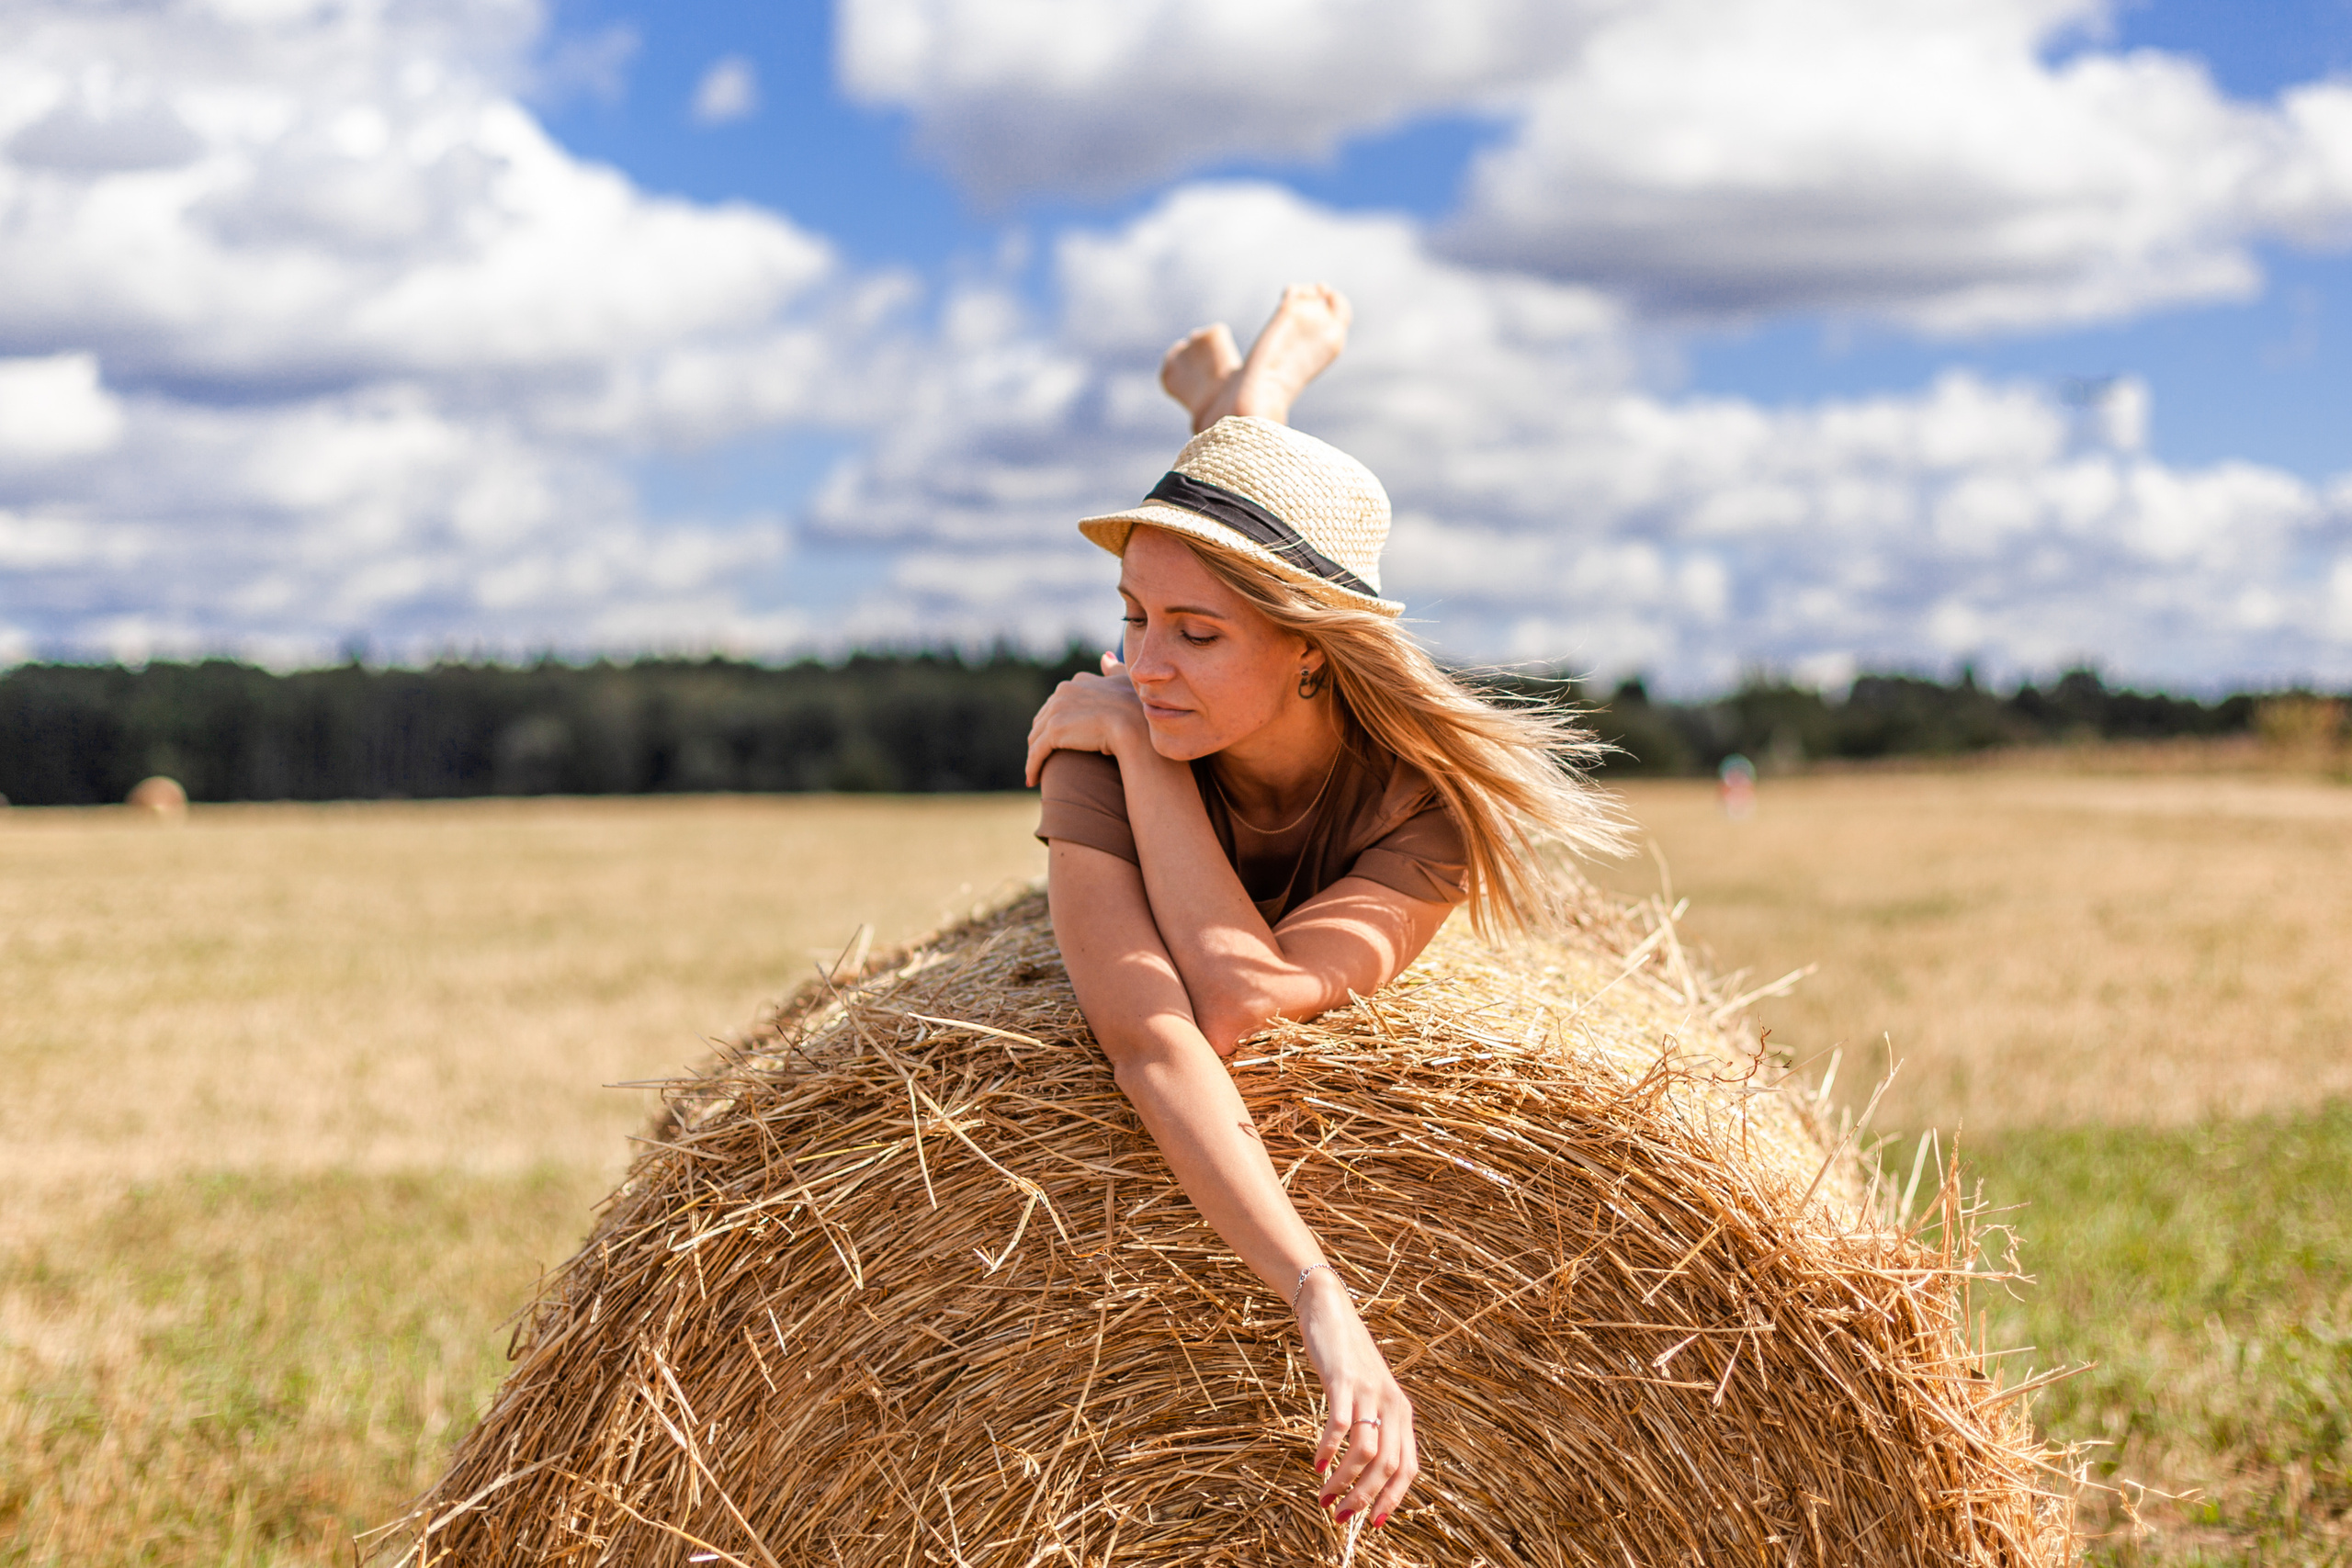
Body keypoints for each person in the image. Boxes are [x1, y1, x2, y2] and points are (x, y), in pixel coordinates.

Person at [1023, 285, 1623, 1533]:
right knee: (1237, 504)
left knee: (1246, 493)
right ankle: (1245, 410)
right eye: (1130, 621)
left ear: (1308, 644)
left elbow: (1245, 1000)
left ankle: (1252, 400)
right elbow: (1152, 1038)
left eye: (1195, 633)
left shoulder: (1422, 814)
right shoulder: (1111, 726)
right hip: (1170, 753)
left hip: (1265, 759)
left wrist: (1146, 762)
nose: (1142, 667)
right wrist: (1314, 1292)